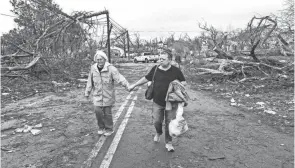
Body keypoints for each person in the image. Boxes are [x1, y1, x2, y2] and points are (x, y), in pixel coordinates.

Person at [128, 50, 187, 152]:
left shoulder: (176, 70)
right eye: (159, 58)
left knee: (169, 122)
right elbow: (146, 78)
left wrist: (177, 85)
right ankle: (158, 132)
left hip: (171, 102)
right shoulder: (155, 69)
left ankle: (168, 143)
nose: (160, 60)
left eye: (163, 59)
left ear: (169, 60)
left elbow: (184, 82)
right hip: (157, 101)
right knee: (156, 121)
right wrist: (134, 85)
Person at [85, 50, 129, 136]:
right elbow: (89, 81)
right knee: (98, 112)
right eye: (97, 59)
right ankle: (101, 127)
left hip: (107, 95)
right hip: (97, 95)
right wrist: (87, 92)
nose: (99, 61)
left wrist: (127, 86)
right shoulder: (93, 68)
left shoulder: (111, 69)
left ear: (105, 59)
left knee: (107, 113)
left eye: (101, 59)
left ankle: (109, 129)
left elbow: (119, 78)